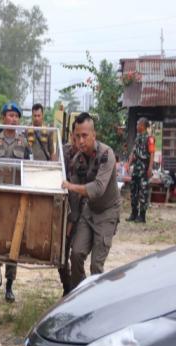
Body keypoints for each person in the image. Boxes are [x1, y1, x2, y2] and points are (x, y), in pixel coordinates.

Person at [62, 112, 120, 289]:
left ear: (94, 135)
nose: (80, 141)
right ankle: (79, 294)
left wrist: (71, 186)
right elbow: (75, 197)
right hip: (89, 212)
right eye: (77, 136)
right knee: (76, 254)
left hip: (107, 212)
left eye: (85, 136)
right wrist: (72, 220)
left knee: (96, 266)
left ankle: (96, 300)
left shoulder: (106, 154)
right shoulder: (77, 160)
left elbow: (98, 188)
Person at [0, 101, 30, 302]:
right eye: (9, 115)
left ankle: (10, 284)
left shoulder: (24, 142)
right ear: (3, 118)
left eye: (15, 116)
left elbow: (29, 167)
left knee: (15, 240)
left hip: (17, 198)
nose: (12, 119)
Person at [58, 121, 80, 296]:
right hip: (65, 211)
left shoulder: (88, 153)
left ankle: (77, 291)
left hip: (82, 212)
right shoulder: (63, 151)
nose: (78, 139)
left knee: (77, 254)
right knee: (62, 255)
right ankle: (67, 290)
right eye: (76, 135)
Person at [126, 117, 155, 223]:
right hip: (136, 169)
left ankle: (142, 216)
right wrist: (128, 164)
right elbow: (133, 152)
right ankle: (134, 214)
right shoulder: (137, 137)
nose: (137, 126)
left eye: (138, 124)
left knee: (143, 192)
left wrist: (150, 168)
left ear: (143, 126)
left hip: (144, 169)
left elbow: (152, 154)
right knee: (133, 191)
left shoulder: (150, 138)